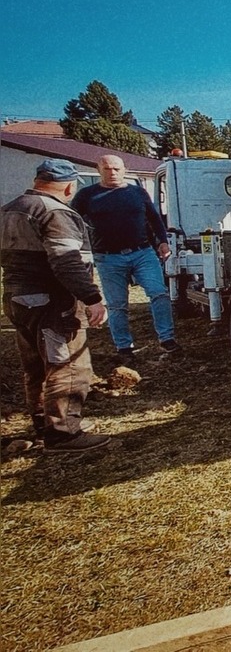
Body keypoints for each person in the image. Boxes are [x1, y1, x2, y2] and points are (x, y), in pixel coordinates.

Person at [1, 159, 112, 452]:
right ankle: (63, 433)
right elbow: (65, 262)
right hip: (51, 301)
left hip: (15, 297)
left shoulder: (10, 208)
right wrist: (92, 298)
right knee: (68, 365)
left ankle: (43, 425)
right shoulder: (56, 212)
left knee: (35, 366)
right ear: (69, 186)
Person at [71, 154, 180, 364]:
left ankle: (167, 339)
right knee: (117, 304)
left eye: (116, 169)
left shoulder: (137, 192)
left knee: (159, 294)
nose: (112, 172)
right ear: (99, 170)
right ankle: (124, 347)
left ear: (124, 170)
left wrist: (163, 241)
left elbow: (155, 218)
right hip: (108, 257)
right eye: (107, 169)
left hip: (142, 253)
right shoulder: (87, 195)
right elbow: (72, 222)